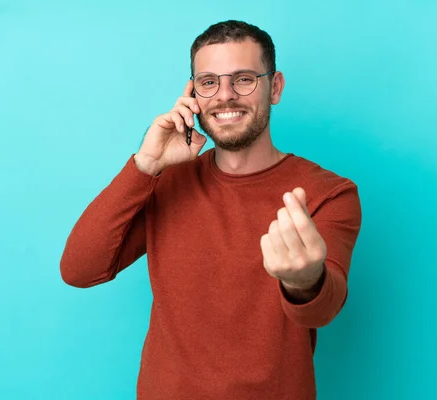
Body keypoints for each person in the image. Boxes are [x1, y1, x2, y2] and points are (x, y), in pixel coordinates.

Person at [60, 20, 362, 400]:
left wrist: (304, 280)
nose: (224, 96)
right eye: (208, 82)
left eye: (244, 79)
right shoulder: (166, 181)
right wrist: (146, 164)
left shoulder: (329, 193)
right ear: (192, 94)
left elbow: (321, 311)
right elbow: (79, 270)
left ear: (275, 88)